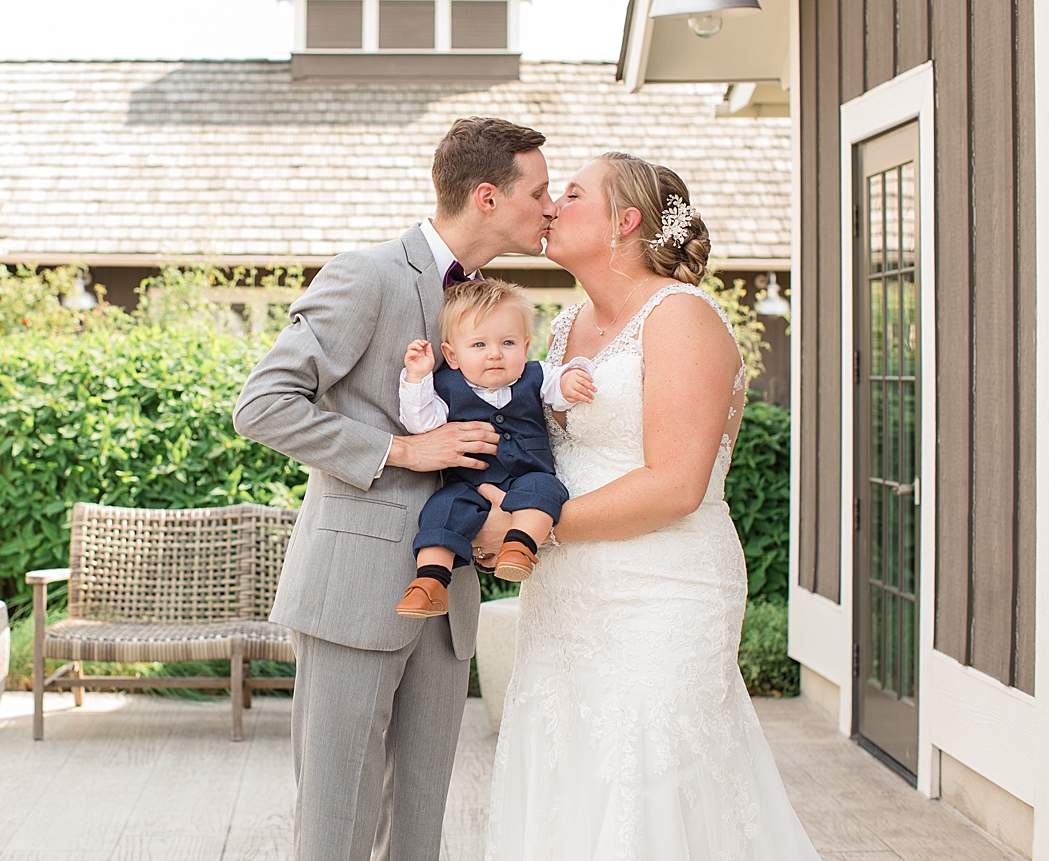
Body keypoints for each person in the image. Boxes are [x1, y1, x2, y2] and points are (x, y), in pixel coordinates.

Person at [482, 151, 822, 860]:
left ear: (624, 221)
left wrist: (534, 527)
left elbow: (676, 485)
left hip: (661, 594)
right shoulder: (563, 326)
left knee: (651, 784)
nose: (550, 206)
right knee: (565, 778)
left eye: (571, 194)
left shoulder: (681, 318)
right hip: (568, 607)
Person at [232, 117, 554, 861]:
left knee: (420, 825)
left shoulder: (492, 306)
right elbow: (263, 404)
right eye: (537, 192)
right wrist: (404, 448)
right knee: (335, 820)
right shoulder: (367, 274)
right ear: (486, 196)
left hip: (447, 604)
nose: (549, 207)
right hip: (353, 591)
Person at [394, 278, 594, 619]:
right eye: (479, 345)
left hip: (528, 474)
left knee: (545, 492)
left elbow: (557, 387)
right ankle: (428, 583)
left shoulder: (534, 375)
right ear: (451, 355)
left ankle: (519, 546)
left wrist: (569, 380)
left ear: (526, 346)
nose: (495, 353)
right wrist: (417, 378)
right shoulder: (445, 386)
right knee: (441, 511)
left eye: (507, 342)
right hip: (468, 484)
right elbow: (422, 424)